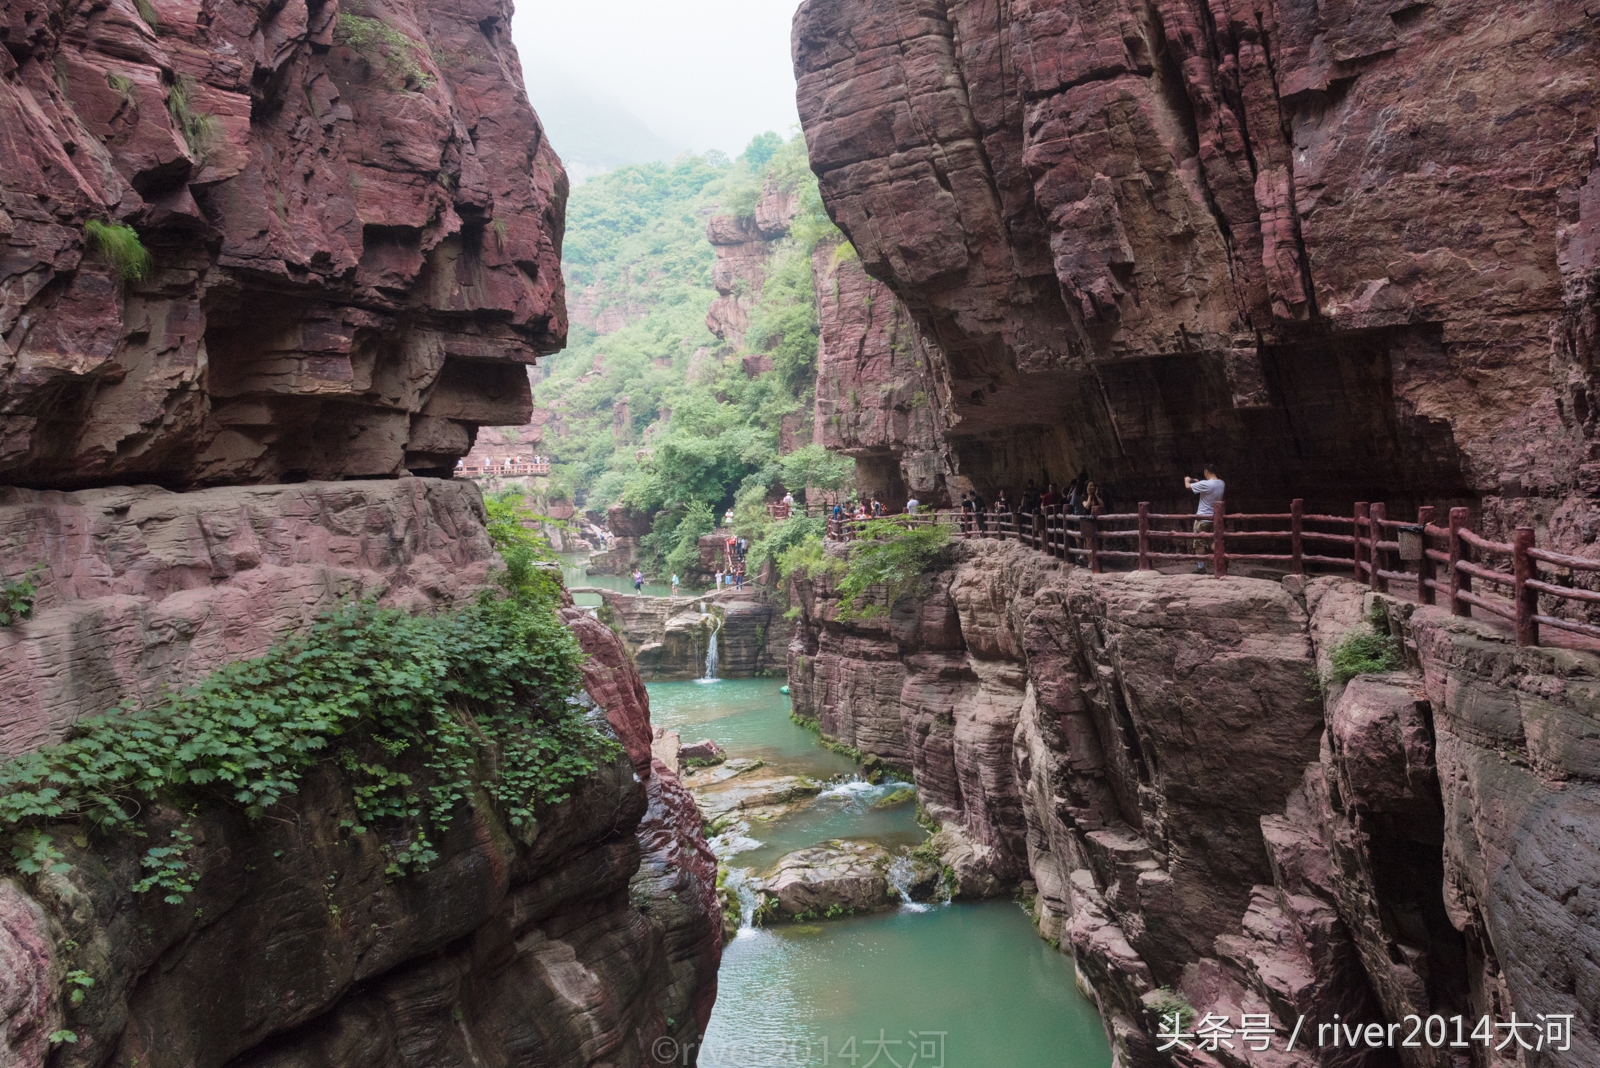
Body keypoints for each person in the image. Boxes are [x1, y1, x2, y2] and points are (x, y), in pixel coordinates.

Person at [1186, 464, 1225, 572]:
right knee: (1213, 542)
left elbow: (1188, 487)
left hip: (1202, 519)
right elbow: (1208, 487)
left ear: (1206, 471)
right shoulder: (1221, 484)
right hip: (1214, 519)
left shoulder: (1206, 484)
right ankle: (1223, 560)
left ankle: (1201, 567)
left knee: (1199, 543)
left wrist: (1187, 480)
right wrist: (1199, 483)